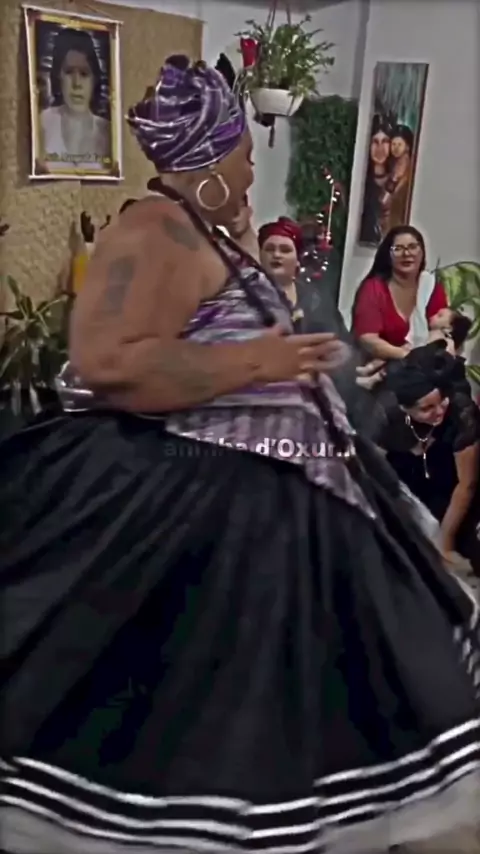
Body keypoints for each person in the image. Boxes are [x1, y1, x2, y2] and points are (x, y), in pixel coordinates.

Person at [1, 55, 480, 854]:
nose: (253, 168)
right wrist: (253, 363)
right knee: (202, 683)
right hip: (197, 490)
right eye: (244, 156)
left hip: (281, 477)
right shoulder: (150, 231)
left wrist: (316, 356)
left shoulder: (204, 231)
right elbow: (107, 360)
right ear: (208, 162)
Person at [380, 341, 480, 573]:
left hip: (456, 493)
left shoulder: (461, 413)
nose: (438, 411)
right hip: (414, 495)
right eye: (426, 408)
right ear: (404, 408)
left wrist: (445, 542)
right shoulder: (387, 417)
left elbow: (467, 484)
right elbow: (378, 473)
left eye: (441, 400)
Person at [352, 225, 448, 361]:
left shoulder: (430, 288)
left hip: (423, 367)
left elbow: (442, 329)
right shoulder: (373, 288)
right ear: (388, 255)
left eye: (412, 247)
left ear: (422, 252)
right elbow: (367, 339)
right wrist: (407, 356)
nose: (406, 253)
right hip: (378, 366)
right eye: (398, 249)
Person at [40, 27, 110, 172]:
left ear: (94, 79)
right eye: (69, 72)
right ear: (58, 75)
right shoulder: (44, 122)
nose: (76, 84)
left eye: (84, 74)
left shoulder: (108, 132)